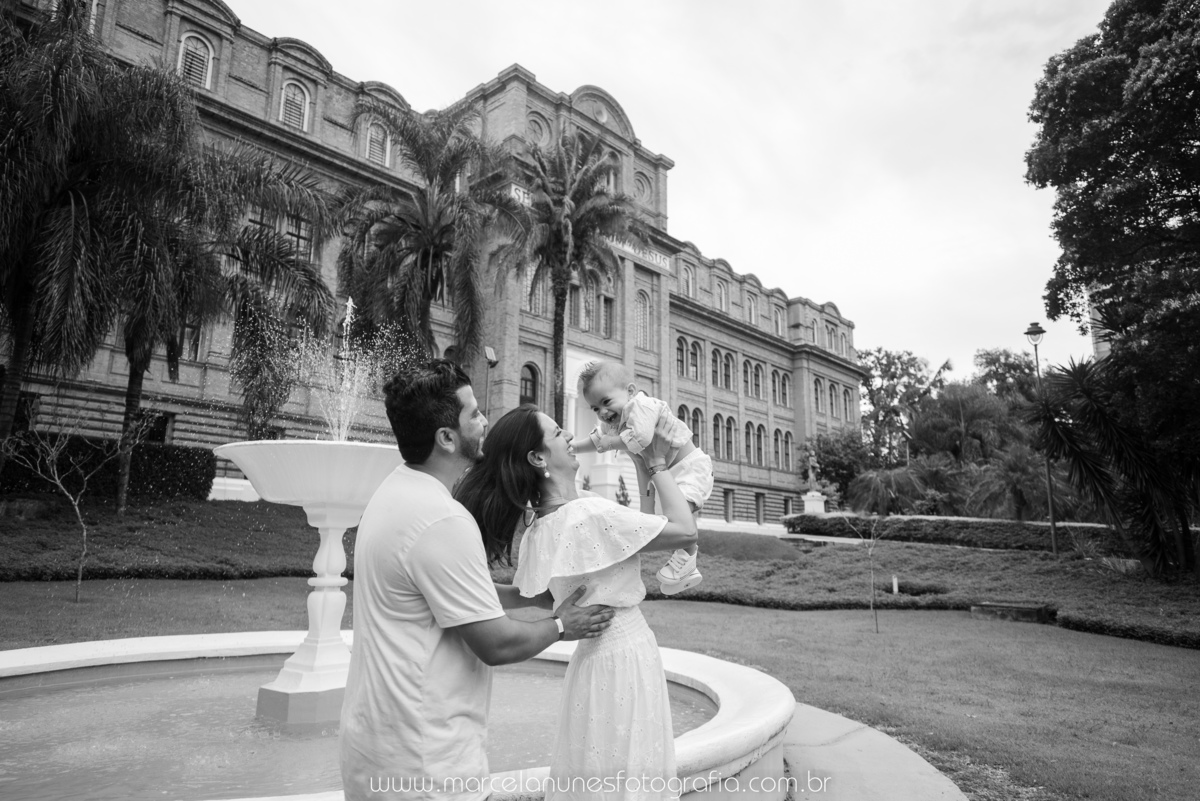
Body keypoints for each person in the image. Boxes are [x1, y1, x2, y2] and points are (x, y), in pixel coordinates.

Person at [340, 360, 615, 801]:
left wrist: (540, 598)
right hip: (427, 768)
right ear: (446, 438)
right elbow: (496, 644)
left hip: (378, 751)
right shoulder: (442, 520)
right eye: (473, 414)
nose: (485, 420)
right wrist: (564, 626)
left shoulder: (396, 492)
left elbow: (457, 595)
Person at [454, 405, 698, 801]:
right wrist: (658, 464)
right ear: (538, 458)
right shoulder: (589, 513)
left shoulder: (541, 524)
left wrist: (458, 586)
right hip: (625, 654)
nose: (570, 435)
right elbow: (686, 531)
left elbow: (532, 597)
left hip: (590, 662)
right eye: (557, 433)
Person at [569, 361, 713, 594]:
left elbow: (643, 438)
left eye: (606, 402)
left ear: (630, 392)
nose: (603, 413)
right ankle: (689, 566)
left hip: (690, 468)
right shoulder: (614, 421)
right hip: (665, 473)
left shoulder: (642, 406)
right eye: (595, 408)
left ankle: (688, 555)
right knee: (662, 519)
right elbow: (596, 440)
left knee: (682, 512)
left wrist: (610, 443)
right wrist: (573, 447)